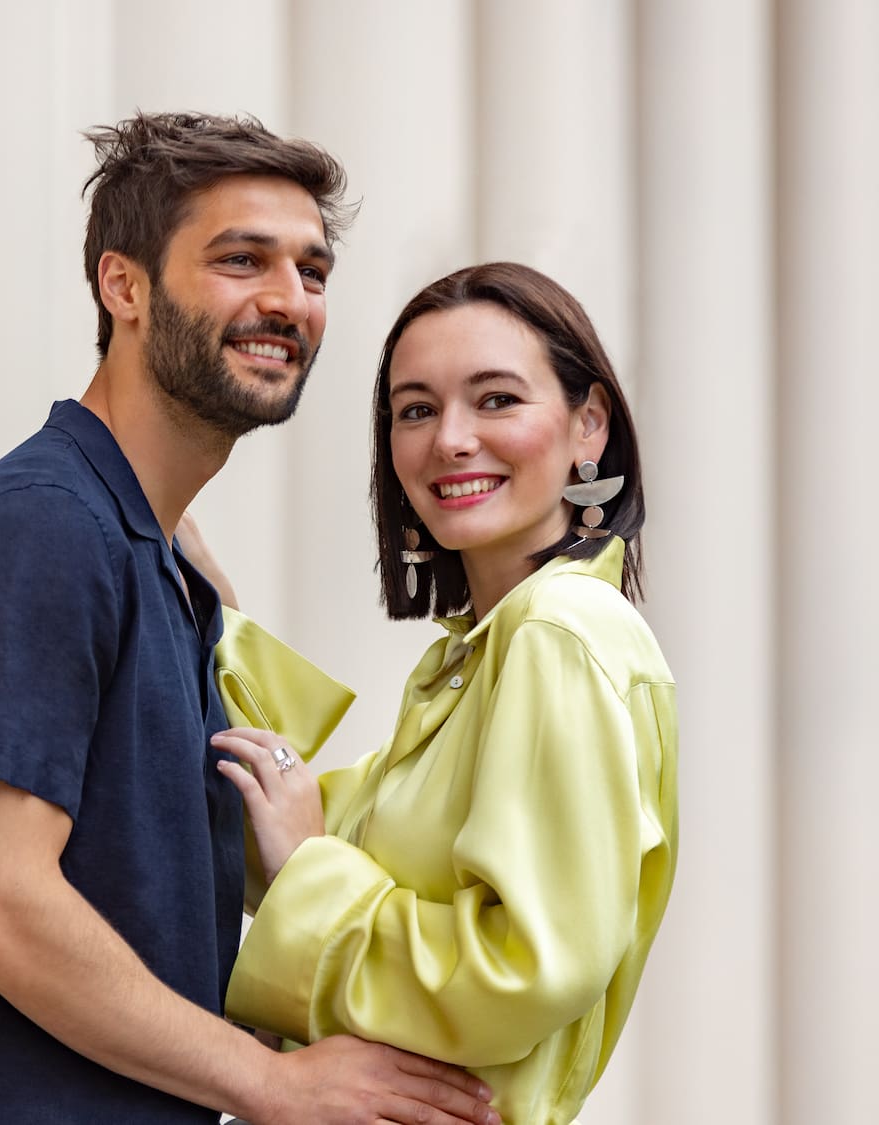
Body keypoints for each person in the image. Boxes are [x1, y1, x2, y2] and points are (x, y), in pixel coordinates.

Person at [0, 112, 501, 1125]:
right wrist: (269, 1083)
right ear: (125, 286)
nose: (288, 299)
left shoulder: (142, 555)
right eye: (241, 260)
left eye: (312, 271)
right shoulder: (38, 530)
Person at [206, 263, 678, 1125]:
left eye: (496, 400)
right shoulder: (484, 653)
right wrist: (208, 617)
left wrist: (309, 870)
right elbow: (289, 825)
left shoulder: (558, 634)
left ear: (589, 424)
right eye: (416, 410)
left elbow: (526, 964)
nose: (451, 440)